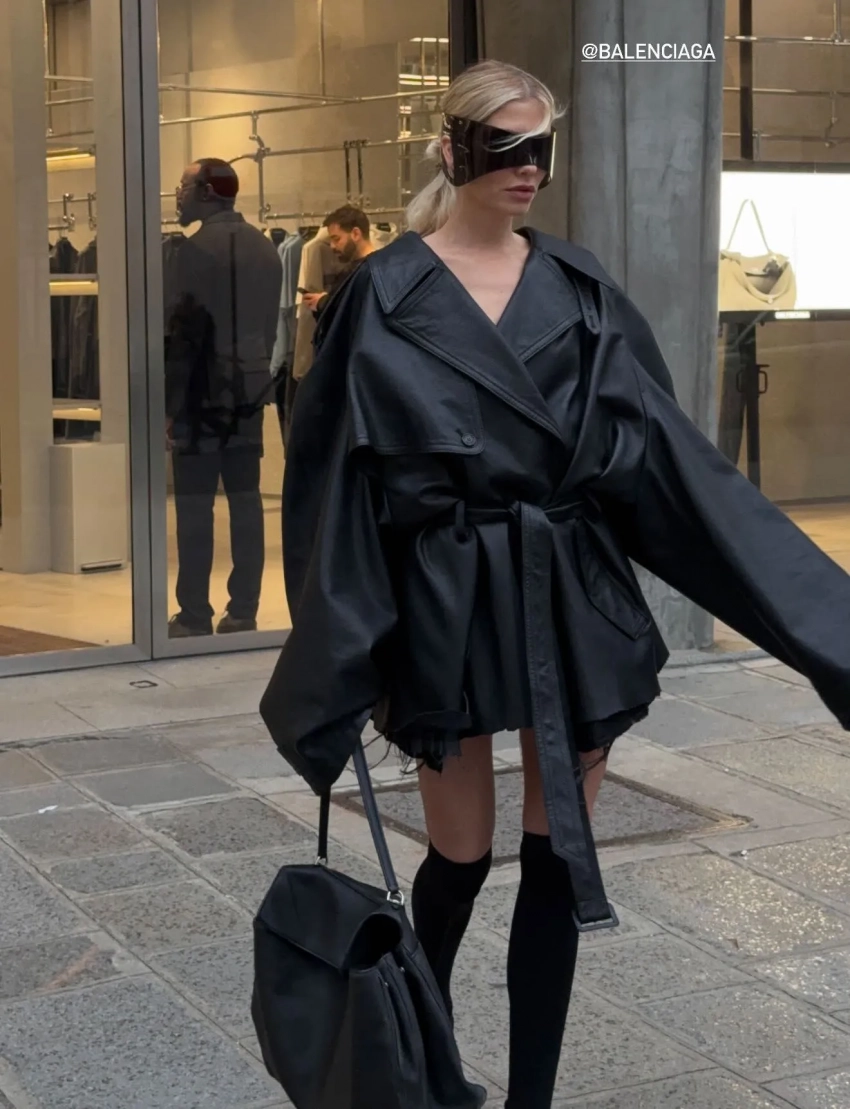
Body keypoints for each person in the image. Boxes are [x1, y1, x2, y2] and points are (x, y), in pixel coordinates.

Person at [259, 60, 850, 1109]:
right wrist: (337, 648)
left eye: (541, 147)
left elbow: (668, 459)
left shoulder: (579, 287)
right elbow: (330, 481)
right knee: (458, 855)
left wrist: (824, 626)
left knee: (554, 853)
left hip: (567, 592)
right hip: (445, 599)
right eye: (505, 146)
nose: (528, 168)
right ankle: (425, 1076)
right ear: (453, 150)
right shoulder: (382, 292)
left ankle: (531, 1095)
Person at [164, 158, 282, 638]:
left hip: (201, 395)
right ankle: (244, 609)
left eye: (183, 185)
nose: (178, 195)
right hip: (249, 389)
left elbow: (182, 337)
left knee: (195, 505)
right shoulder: (266, 250)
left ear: (207, 192)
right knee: (246, 501)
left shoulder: (191, 252)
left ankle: (195, 613)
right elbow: (268, 328)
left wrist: (169, 406)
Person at [300, 204, 377, 316]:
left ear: (356, 234)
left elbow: (358, 313)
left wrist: (324, 302)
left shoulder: (373, 272)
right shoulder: (353, 270)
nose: (332, 246)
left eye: (337, 239)